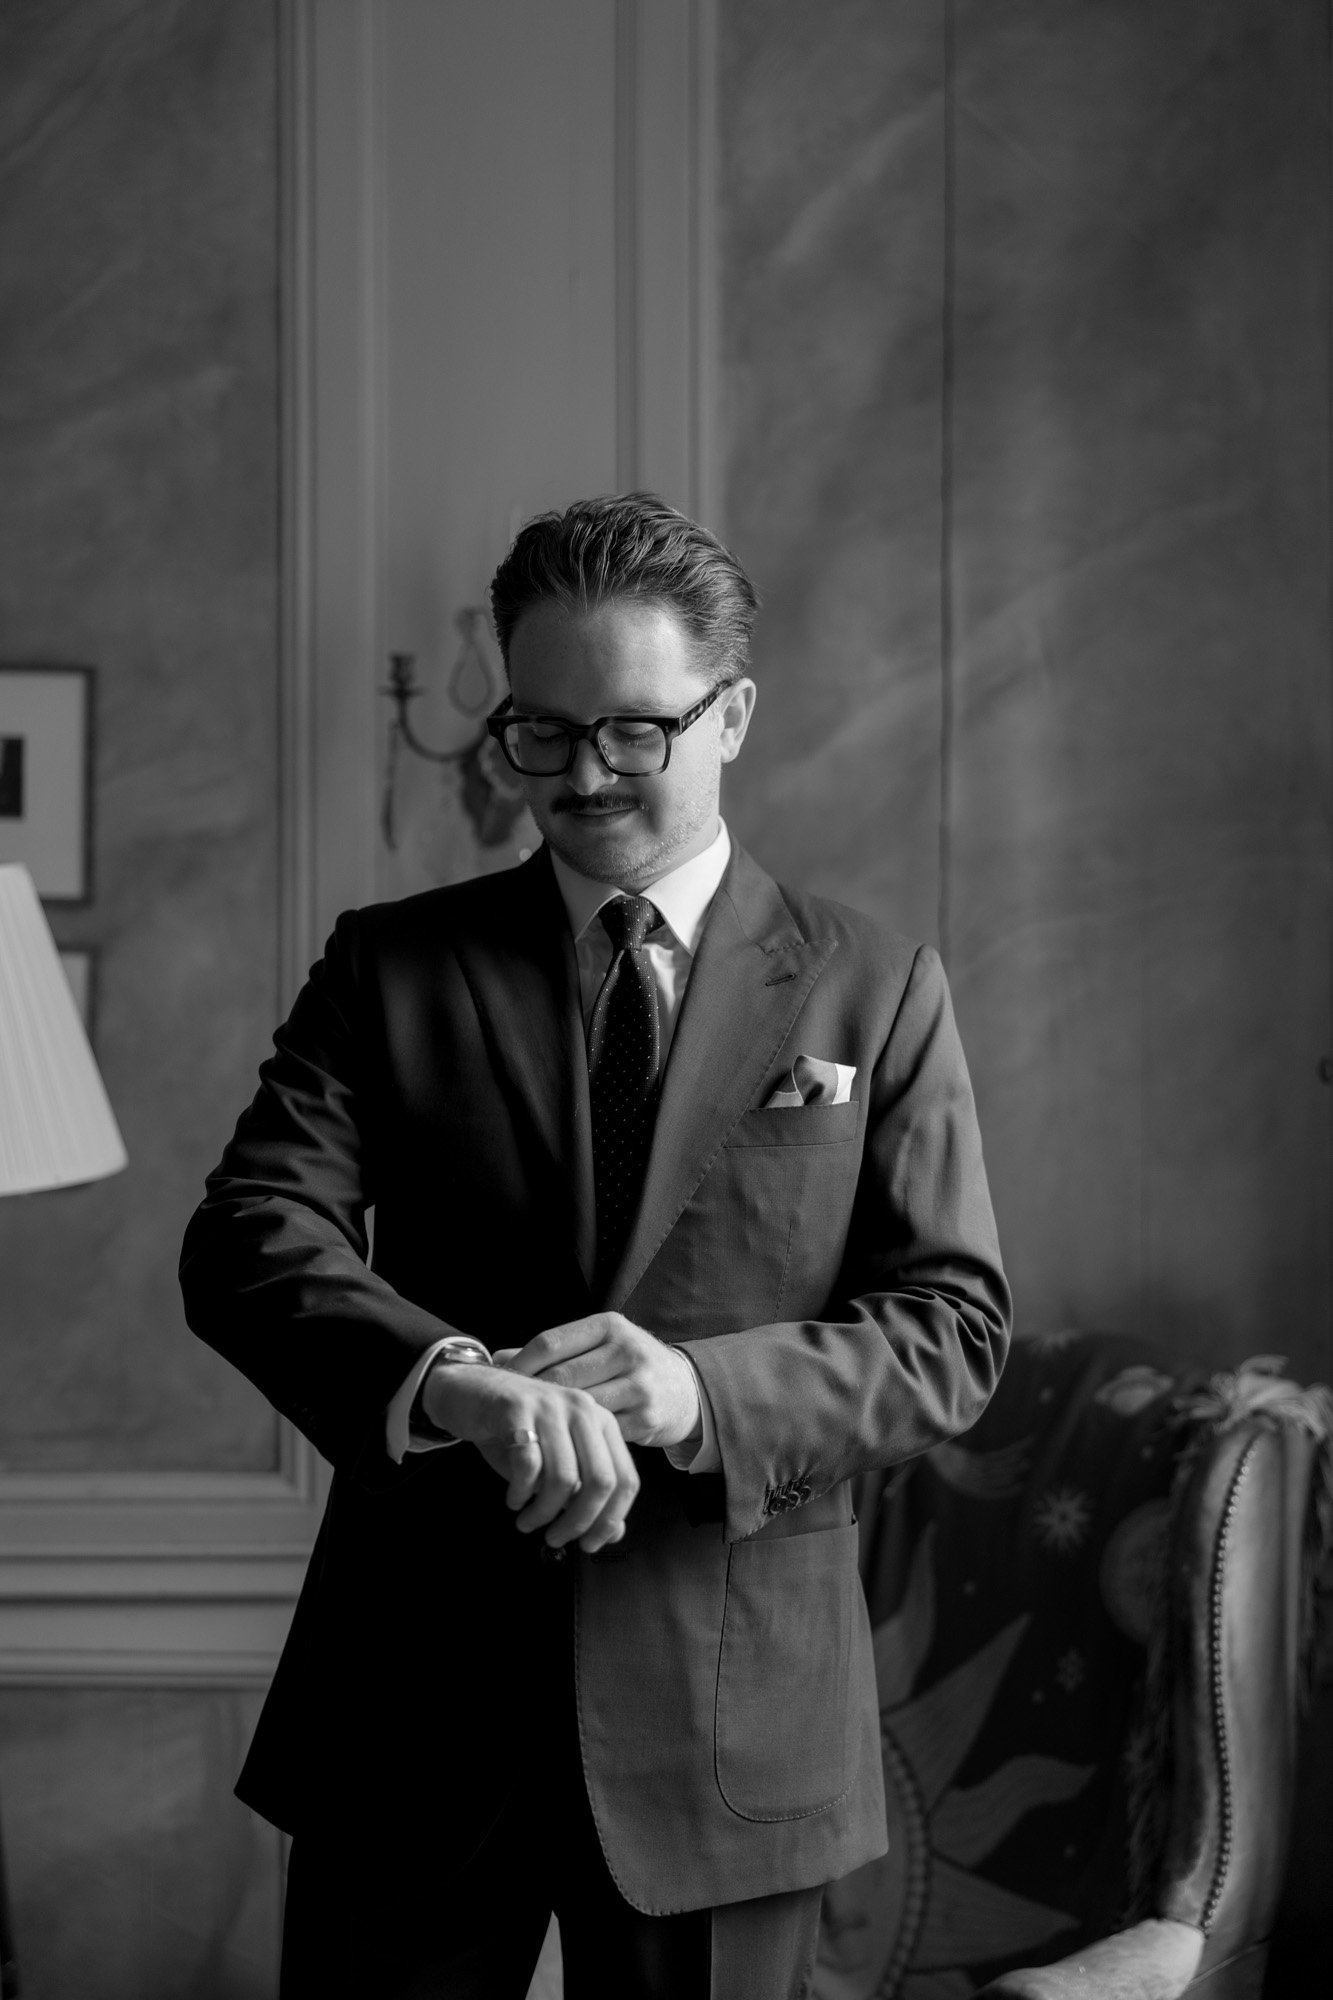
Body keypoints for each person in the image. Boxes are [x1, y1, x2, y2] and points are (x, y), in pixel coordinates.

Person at [179, 492, 1011, 2000]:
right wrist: (446, 1382)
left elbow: (949, 1333)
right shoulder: (390, 965)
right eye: (540, 733)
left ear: (732, 713)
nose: (581, 775)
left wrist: (698, 1396)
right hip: (413, 1709)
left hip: (730, 1721)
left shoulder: (876, 988)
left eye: (633, 731)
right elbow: (250, 1231)